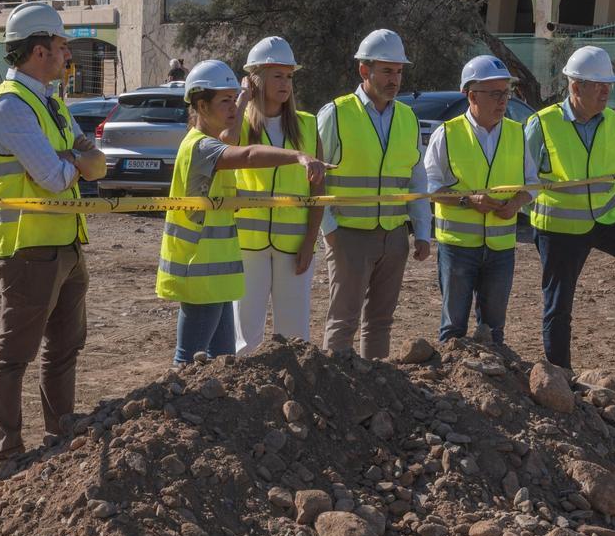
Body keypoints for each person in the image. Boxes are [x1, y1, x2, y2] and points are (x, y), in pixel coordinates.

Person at [0, 2, 107, 474]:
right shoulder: (10, 105)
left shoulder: (50, 103)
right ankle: (8, 452)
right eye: (60, 46)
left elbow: (98, 161)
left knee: (66, 346)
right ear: (38, 51)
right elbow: (57, 176)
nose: (66, 53)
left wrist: (77, 160)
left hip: (66, 244)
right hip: (29, 246)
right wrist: (78, 161)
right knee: (16, 354)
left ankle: (60, 433)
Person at [156, 60, 329, 364]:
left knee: (223, 360)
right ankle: (177, 412)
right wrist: (298, 155)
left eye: (235, 97)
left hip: (218, 272)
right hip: (200, 274)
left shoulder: (207, 142)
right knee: (188, 362)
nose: (234, 107)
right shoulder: (200, 147)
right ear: (201, 105)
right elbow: (247, 154)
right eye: (225, 100)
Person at [524, 46, 615, 370]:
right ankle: (560, 375)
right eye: (599, 85)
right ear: (575, 87)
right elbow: (523, 179)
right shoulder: (542, 124)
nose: (607, 91)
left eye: (609, 85)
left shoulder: (610, 120)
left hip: (607, 218)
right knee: (558, 306)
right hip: (560, 228)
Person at [316, 29, 431, 359]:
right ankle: (336, 390)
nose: (395, 79)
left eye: (398, 71)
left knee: (381, 322)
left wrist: (421, 231)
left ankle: (378, 392)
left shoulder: (407, 117)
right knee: (343, 321)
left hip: (394, 236)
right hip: (349, 236)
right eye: (387, 70)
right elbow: (313, 177)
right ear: (364, 71)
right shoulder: (336, 114)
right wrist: (330, 229)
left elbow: (416, 178)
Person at [220, 37, 323, 355]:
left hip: (294, 247)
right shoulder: (243, 123)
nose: (285, 83)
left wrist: (310, 241)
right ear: (256, 79)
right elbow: (225, 143)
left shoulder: (307, 124)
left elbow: (318, 188)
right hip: (248, 244)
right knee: (244, 338)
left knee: (294, 336)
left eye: (289, 76)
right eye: (277, 75)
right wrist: (241, 99)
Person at [424, 56, 535, 345]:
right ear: (472, 95)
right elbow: (429, 186)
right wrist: (466, 201)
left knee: (494, 331)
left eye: (505, 93)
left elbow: (533, 183)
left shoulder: (516, 133)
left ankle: (496, 386)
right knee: (453, 330)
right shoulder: (446, 134)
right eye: (495, 94)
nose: (502, 101)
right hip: (458, 248)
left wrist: (517, 202)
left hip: (501, 249)